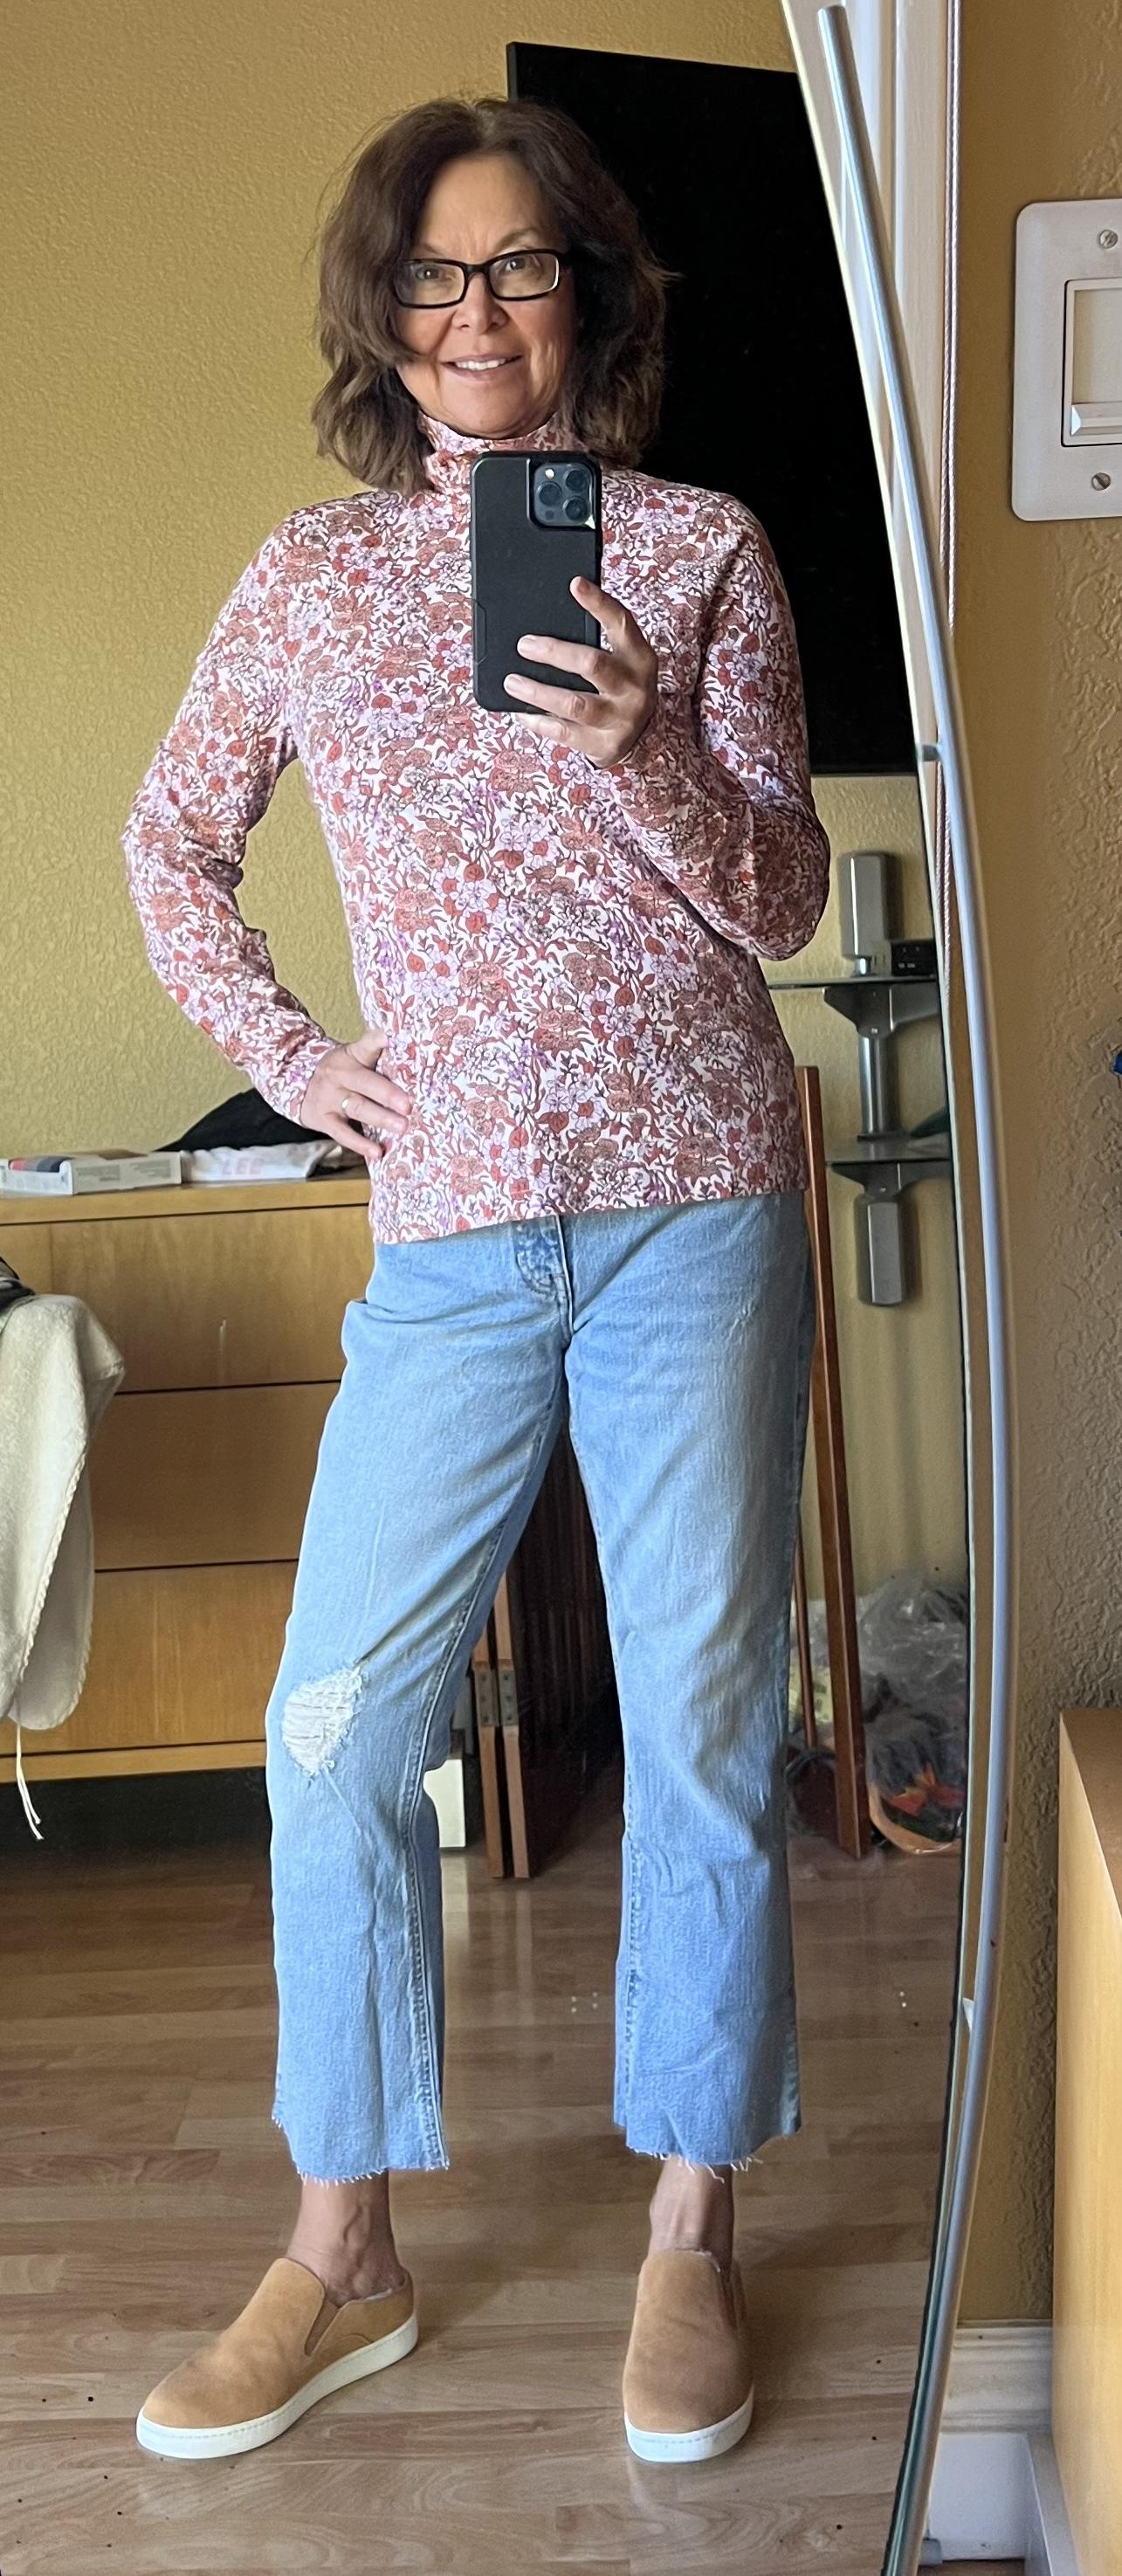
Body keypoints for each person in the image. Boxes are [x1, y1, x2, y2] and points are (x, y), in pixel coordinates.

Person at [123, 93, 829, 2469]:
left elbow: (783, 901)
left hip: (693, 1204)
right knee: (333, 1727)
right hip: (446, 1231)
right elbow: (171, 842)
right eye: (433, 274)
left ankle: (692, 2224)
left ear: (589, 296)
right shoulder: (316, 579)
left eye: (521, 266)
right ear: (382, 311)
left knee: (701, 1726)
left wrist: (645, 748)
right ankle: (344, 2252)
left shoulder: (699, 550)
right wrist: (294, 1060)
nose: (476, 312)